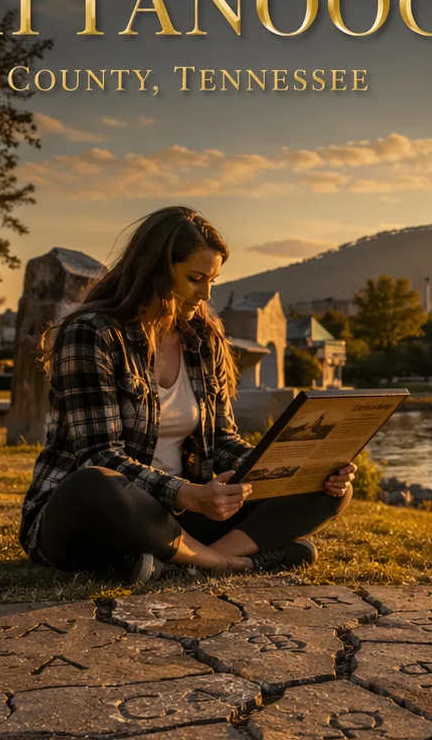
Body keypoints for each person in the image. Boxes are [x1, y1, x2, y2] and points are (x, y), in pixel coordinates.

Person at [18, 206, 354, 582]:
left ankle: (190, 559)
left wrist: (288, 467)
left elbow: (222, 440)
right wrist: (187, 494)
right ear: (156, 270)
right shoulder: (92, 333)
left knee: (329, 490)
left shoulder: (203, 337)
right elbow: (99, 455)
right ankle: (231, 562)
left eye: (212, 279)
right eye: (195, 278)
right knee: (98, 483)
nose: (206, 293)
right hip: (100, 513)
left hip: (183, 516)